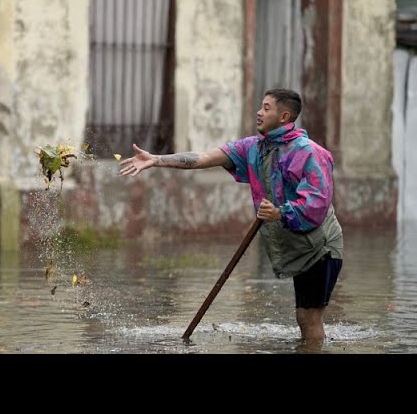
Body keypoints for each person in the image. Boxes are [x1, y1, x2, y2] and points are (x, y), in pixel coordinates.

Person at [119, 88, 343, 345]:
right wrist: (157, 160)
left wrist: (280, 212)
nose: (259, 112)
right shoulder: (252, 148)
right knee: (304, 317)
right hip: (295, 245)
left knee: (309, 317)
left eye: (266, 108)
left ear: (284, 116)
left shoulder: (308, 152)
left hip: (320, 246)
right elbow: (202, 158)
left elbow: (317, 202)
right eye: (261, 106)